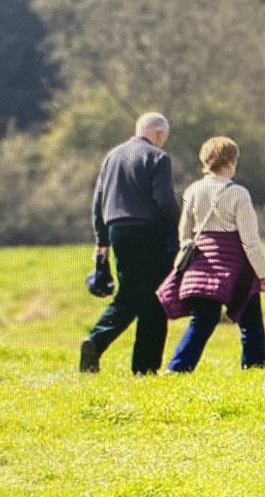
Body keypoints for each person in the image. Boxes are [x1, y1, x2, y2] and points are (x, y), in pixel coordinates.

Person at [156, 136, 265, 372]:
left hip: (202, 263)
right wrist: (262, 273)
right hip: (236, 265)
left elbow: (184, 233)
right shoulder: (239, 193)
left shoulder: (193, 190)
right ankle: (254, 366)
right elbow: (250, 240)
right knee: (250, 321)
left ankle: (177, 367)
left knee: (203, 320)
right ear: (231, 162)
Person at [79, 111, 180, 375]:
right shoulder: (158, 157)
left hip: (118, 232)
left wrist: (101, 242)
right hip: (150, 233)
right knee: (154, 298)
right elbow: (164, 200)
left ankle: (103, 345)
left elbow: (98, 202)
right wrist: (179, 229)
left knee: (133, 294)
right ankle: (140, 364)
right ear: (159, 134)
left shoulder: (112, 157)